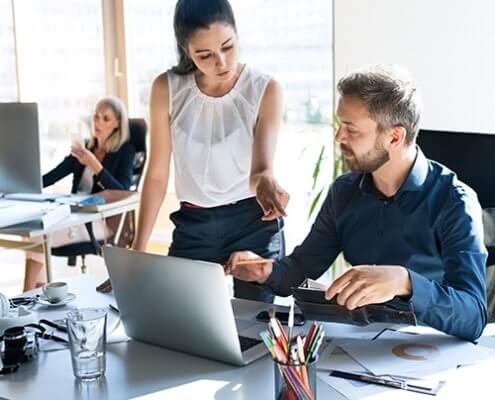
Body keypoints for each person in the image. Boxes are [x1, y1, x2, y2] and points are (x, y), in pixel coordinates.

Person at [226, 65, 488, 341]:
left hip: (426, 350)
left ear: (394, 137)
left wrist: (405, 282)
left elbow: (473, 316)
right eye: (341, 125)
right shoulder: (344, 193)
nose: (339, 137)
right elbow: (301, 269)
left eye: (351, 130)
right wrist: (267, 271)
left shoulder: (454, 202)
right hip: (358, 345)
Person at [99, 0, 289, 302]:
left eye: (228, 47)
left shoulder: (265, 89)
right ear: (186, 51)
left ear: (238, 34)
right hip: (194, 225)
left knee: (256, 327)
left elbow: (260, 171)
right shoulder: (167, 88)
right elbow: (158, 175)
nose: (221, 62)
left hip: (253, 221)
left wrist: (267, 184)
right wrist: (138, 252)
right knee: (180, 319)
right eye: (205, 55)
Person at [24, 96, 135, 291]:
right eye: (96, 116)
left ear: (118, 124)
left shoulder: (125, 151)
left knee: (39, 235)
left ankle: (27, 293)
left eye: (105, 118)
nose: (98, 122)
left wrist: (94, 164)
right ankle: (34, 294)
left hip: (103, 221)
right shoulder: (85, 148)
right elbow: (51, 177)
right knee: (36, 232)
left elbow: (122, 191)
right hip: (75, 214)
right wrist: (23, 183)